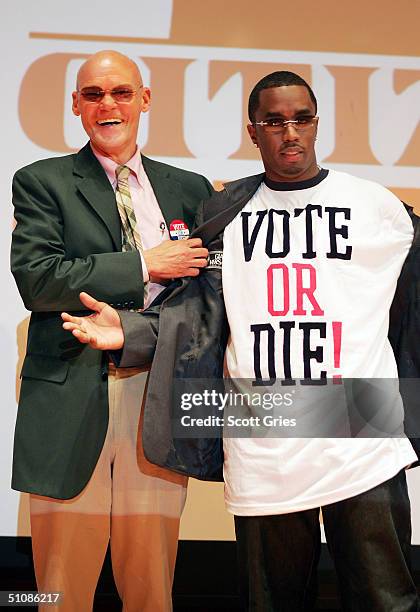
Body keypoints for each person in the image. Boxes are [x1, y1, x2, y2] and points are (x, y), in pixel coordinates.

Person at [62, 71, 420, 611]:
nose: (290, 132)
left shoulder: (377, 208)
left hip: (359, 433)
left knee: (386, 601)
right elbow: (196, 320)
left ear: (317, 123)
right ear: (253, 132)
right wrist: (128, 333)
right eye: (274, 122)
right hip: (264, 436)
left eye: (301, 119)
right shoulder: (226, 214)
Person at [11, 50, 213, 612]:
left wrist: (134, 329)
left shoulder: (190, 188)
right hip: (70, 395)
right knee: (56, 589)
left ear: (144, 100)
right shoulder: (41, 181)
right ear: (76, 105)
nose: (108, 105)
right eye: (94, 95)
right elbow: (39, 279)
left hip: (155, 391)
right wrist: (147, 264)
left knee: (152, 587)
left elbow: (205, 299)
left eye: (121, 92)